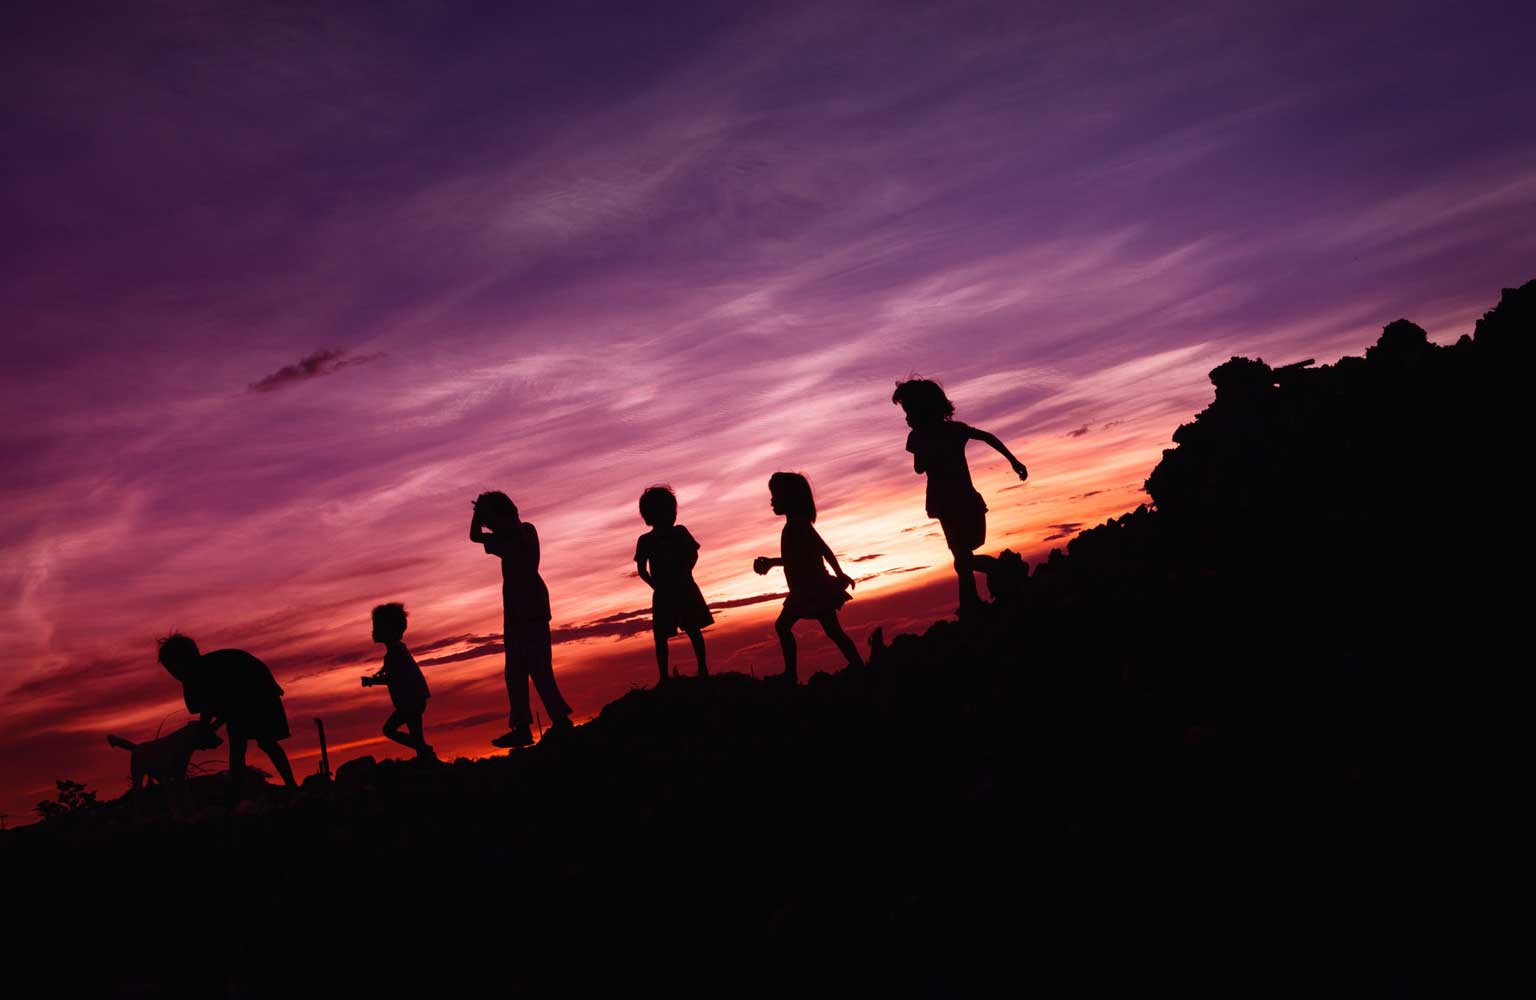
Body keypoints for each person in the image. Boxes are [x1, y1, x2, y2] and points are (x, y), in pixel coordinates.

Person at [892, 378, 1029, 617]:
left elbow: (918, 468)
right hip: (956, 501)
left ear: (921, 410)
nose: (906, 418)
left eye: (908, 411)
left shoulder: (922, 437)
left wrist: (1014, 461)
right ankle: (971, 602)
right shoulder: (950, 431)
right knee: (961, 558)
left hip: (950, 502)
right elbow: (988, 437)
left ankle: (996, 573)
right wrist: (1013, 461)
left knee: (962, 559)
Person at [470, 491, 573, 748]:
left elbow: (480, 536)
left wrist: (486, 514)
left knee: (538, 668)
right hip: (518, 611)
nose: (490, 527)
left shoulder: (523, 532)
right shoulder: (511, 535)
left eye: (491, 521)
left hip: (531, 609)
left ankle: (559, 721)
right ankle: (523, 727)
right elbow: (475, 536)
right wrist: (479, 512)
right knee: (515, 672)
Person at [156, 632, 299, 807]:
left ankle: (280, 789)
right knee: (249, 744)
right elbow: (223, 706)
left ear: (182, 662)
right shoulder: (199, 673)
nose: (173, 674)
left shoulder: (201, 672)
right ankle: (243, 793)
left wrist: (204, 728)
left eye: (172, 668)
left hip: (257, 691)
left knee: (257, 742)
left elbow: (213, 705)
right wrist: (208, 727)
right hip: (245, 696)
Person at [752, 472, 865, 683]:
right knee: (833, 631)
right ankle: (857, 665)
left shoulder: (797, 525)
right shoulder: (798, 524)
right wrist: (839, 573)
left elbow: (816, 551)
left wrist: (839, 573)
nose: (772, 500)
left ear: (790, 498)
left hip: (810, 589)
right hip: (811, 588)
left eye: (776, 495)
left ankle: (791, 675)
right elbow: (809, 554)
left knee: (784, 626)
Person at [635, 485, 713, 684]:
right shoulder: (645, 541)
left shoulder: (679, 532)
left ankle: (702, 669)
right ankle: (664, 677)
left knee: (692, 628)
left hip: (683, 587)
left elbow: (693, 554)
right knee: (661, 636)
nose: (672, 514)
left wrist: (685, 572)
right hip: (665, 592)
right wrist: (656, 586)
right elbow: (642, 570)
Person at [362, 602, 436, 761]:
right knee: (416, 734)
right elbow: (394, 675)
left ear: (389, 629)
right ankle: (424, 753)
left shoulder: (395, 653)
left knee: (389, 730)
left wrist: (372, 681)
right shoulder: (397, 650)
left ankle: (424, 749)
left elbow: (394, 678)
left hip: (410, 701)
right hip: (415, 699)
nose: (373, 630)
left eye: (377, 626)